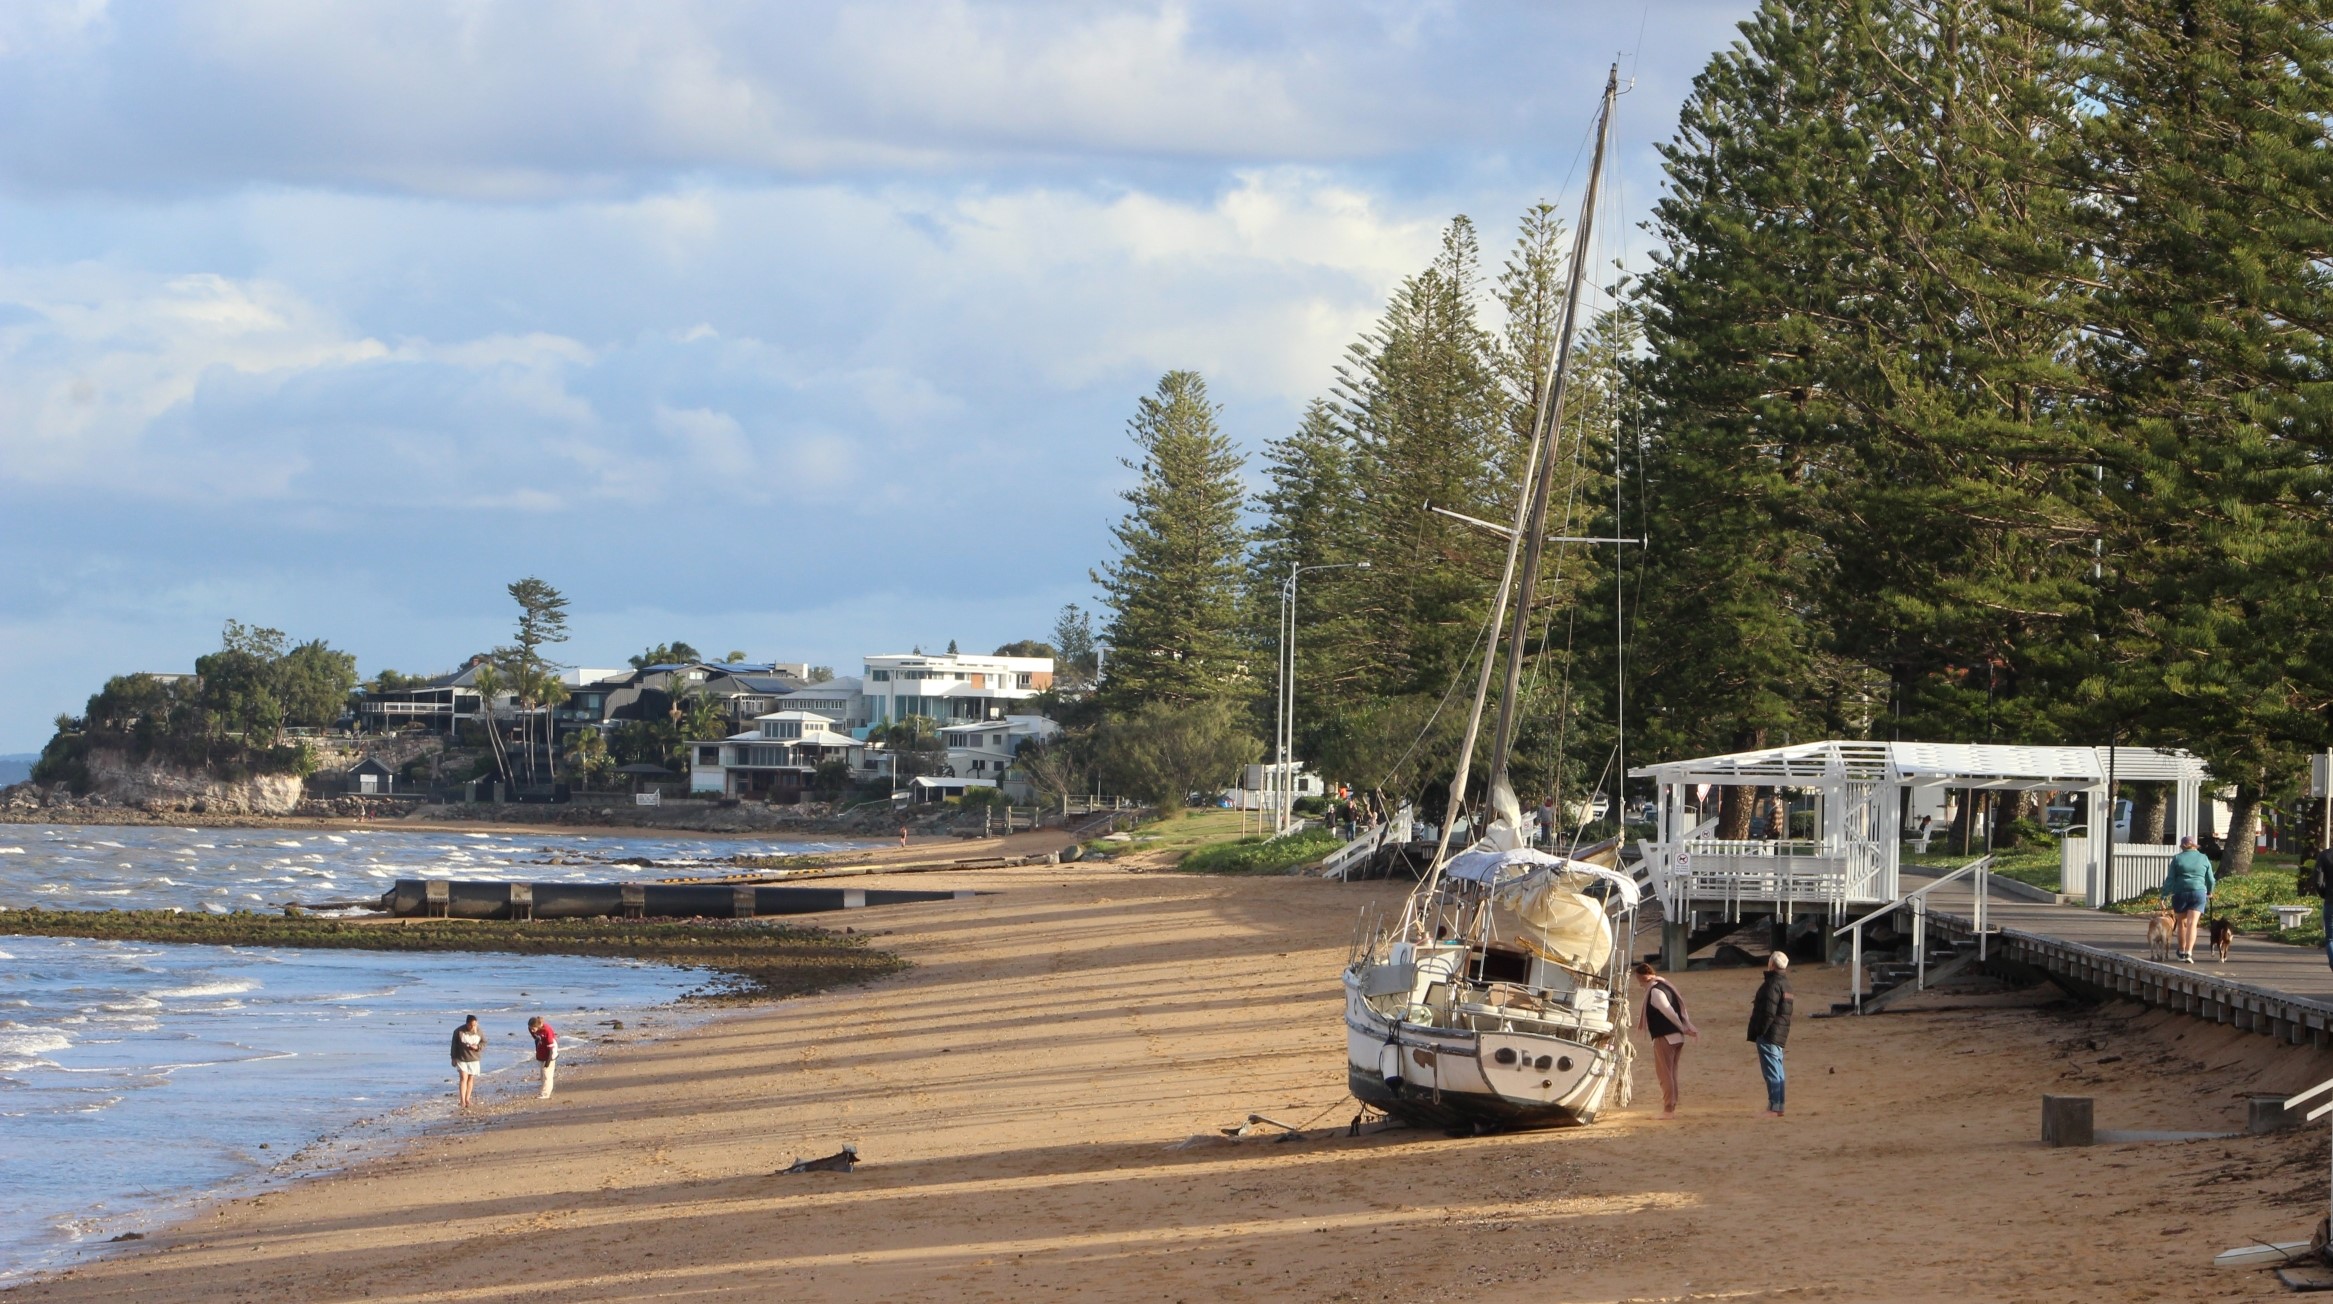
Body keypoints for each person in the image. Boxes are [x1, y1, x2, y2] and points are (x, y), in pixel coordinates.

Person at [1632, 962, 1698, 1118]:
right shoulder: (1667, 986)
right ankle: (1671, 1107)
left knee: (1665, 1074)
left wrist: (1683, 1028)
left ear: (1642, 977)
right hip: (1676, 1038)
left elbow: (1670, 1012)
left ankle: (1668, 1109)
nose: (1639, 985)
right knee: (1671, 1073)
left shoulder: (1655, 991)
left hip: (1666, 1037)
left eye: (1639, 980)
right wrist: (1685, 1026)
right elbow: (1680, 1010)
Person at [1747, 953, 1794, 1117]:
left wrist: (1760, 1031)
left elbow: (1768, 1012)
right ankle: (1778, 1106)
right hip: (1780, 1032)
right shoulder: (1786, 984)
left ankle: (1774, 1107)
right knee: (1778, 1071)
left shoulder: (1772, 984)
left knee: (1773, 1072)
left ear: (1772, 964)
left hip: (1770, 1033)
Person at [2163, 834, 2216, 963]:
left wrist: (2163, 895)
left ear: (2182, 846)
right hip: (2198, 893)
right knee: (2193, 924)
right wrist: (2210, 891)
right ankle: (2189, 952)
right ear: (2195, 846)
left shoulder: (2177, 858)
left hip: (2180, 893)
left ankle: (2181, 952)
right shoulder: (2203, 858)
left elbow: (2170, 879)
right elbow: (2211, 879)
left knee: (2181, 923)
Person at [2306, 842, 2333, 971]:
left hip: (2331, 901)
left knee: (2330, 938)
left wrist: (2324, 893)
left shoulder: (2325, 855)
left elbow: (2318, 880)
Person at [450, 1014, 484, 1109]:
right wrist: (453, 1057)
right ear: (467, 1024)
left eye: (475, 1025)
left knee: (470, 1078)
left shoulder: (479, 1031)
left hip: (474, 1058)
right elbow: (454, 1045)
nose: (473, 1027)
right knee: (463, 1078)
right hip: (461, 1058)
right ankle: (462, 1100)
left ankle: (467, 1098)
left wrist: (477, 1047)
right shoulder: (458, 1031)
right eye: (471, 1025)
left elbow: (484, 1042)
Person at [528, 1015, 559, 1100]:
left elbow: (550, 1048)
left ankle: (545, 1094)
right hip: (542, 1053)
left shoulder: (547, 1031)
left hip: (549, 1055)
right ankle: (543, 1091)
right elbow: (535, 1037)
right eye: (530, 1028)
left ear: (538, 1025)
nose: (531, 1030)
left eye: (533, 1028)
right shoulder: (536, 1030)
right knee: (542, 1075)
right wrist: (531, 1031)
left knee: (547, 1074)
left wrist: (548, 1061)